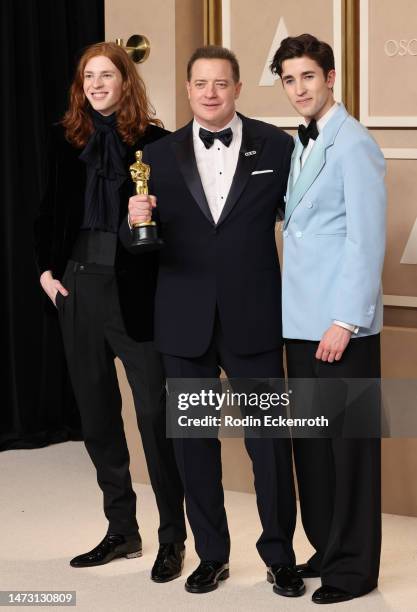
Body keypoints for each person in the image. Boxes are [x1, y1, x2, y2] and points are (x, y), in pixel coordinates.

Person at [124, 45, 304, 598]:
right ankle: (212, 555)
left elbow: (302, 224)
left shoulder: (279, 145)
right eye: (200, 83)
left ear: (238, 88)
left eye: (220, 83)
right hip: (184, 323)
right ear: (187, 89)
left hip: (254, 318)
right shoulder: (153, 155)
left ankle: (281, 555)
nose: (210, 92)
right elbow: (138, 244)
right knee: (195, 445)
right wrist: (133, 226)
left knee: (270, 444)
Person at [34, 42, 186, 582]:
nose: (96, 84)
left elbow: (178, 229)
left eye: (106, 75)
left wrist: (154, 215)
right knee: (98, 417)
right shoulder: (63, 139)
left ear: (126, 81)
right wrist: (46, 273)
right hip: (77, 287)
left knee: (153, 418)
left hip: (135, 295)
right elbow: (48, 208)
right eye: (88, 76)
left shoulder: (157, 143)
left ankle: (173, 537)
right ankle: (122, 530)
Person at [270, 34, 386, 604]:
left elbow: (366, 242)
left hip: (341, 326)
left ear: (331, 77)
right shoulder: (301, 144)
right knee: (312, 446)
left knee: (351, 447)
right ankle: (327, 547)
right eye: (289, 79)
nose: (299, 89)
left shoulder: (355, 144)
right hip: (300, 320)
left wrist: (346, 320)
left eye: (308, 77)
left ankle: (355, 569)